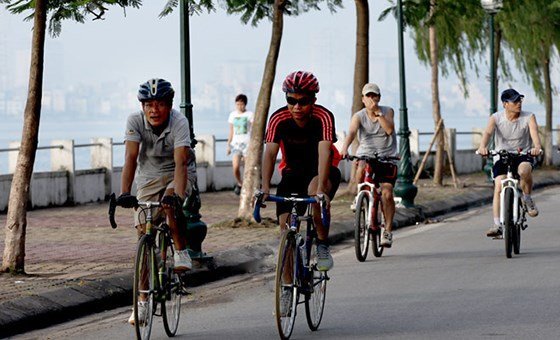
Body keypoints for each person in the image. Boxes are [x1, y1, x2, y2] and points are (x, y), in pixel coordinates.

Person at [117, 78, 193, 325]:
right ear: (142, 107)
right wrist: (125, 192)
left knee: (171, 205)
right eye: (148, 104)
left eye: (160, 104)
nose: (154, 110)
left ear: (170, 105)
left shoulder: (179, 122)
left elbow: (181, 161)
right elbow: (130, 157)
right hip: (148, 177)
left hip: (177, 172)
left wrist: (177, 196)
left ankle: (181, 251)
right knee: (143, 237)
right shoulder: (135, 121)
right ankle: (141, 303)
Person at [261, 70, 341, 273]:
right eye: (291, 100)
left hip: (321, 170)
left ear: (313, 99)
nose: (297, 107)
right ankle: (287, 288)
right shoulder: (278, 118)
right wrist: (264, 188)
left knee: (316, 192)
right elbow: (270, 153)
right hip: (293, 173)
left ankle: (322, 245)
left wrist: (322, 188)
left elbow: (325, 152)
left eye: (303, 101)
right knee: (285, 231)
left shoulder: (323, 117)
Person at [477, 88, 542, 237]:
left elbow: (534, 132)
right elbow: (487, 133)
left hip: (522, 154)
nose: (519, 103)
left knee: (524, 171)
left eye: (520, 100)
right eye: (515, 101)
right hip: (502, 154)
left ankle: (527, 198)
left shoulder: (529, 117)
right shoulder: (496, 118)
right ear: (505, 104)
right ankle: (497, 224)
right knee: (499, 185)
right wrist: (482, 146)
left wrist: (537, 147)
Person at [340, 83, 398, 248]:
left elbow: (389, 130)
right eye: (368, 96)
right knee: (361, 165)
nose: (372, 99)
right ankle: (359, 196)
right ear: (363, 99)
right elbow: (351, 132)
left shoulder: (387, 111)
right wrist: (344, 148)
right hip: (366, 153)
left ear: (379, 98)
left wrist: (378, 114)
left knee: (387, 193)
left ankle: (387, 231)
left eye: (375, 96)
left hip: (387, 156)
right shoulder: (358, 116)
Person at [226, 94, 254, 195]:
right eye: (237, 104)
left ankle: (247, 185)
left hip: (247, 144)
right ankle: (240, 183)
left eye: (241, 104)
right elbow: (231, 131)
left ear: (245, 104)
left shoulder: (250, 114)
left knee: (247, 167)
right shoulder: (233, 115)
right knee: (236, 166)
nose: (239, 106)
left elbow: (253, 130)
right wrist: (228, 145)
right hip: (236, 144)